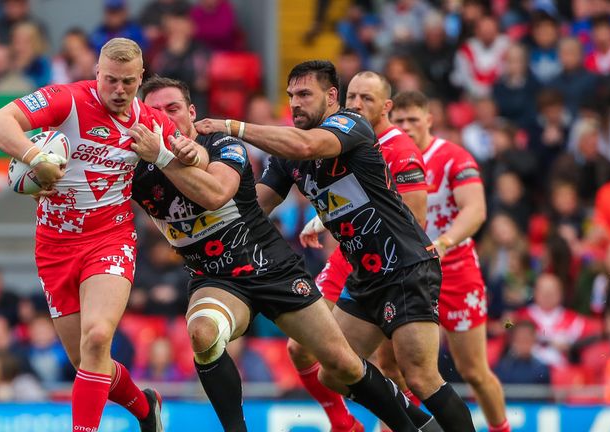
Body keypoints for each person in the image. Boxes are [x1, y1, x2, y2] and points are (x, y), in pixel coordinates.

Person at [130, 76, 433, 432]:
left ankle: (418, 426)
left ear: (191, 112)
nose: (165, 117)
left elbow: (215, 194)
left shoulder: (223, 144)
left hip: (272, 267)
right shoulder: (135, 166)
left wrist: (166, 157)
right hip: (216, 278)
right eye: (155, 110)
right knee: (202, 334)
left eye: (173, 108)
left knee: (344, 365)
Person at [195, 60, 475, 432]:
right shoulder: (285, 155)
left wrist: (233, 127)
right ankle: (425, 427)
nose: (295, 103)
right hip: (365, 274)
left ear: (331, 97)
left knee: (422, 377)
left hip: (406, 266)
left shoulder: (350, 125)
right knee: (336, 370)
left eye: (305, 94)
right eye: (291, 95)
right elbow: (256, 206)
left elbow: (309, 145)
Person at [0, 38, 174, 432]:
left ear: (141, 79)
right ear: (96, 74)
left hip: (110, 238)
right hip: (54, 245)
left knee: (98, 336)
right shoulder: (65, 99)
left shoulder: (150, 121)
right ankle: (145, 408)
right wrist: (34, 158)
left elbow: (198, 157)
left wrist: (179, 154)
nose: (118, 91)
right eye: (110, 81)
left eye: (127, 82)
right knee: (86, 360)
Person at [294, 70, 430, 430]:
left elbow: (412, 220)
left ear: (385, 107)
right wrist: (323, 219)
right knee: (301, 346)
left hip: (389, 260)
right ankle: (342, 422)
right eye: (351, 97)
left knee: (392, 366)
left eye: (365, 99)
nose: (355, 105)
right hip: (349, 255)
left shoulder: (399, 147)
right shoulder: (342, 136)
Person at [390, 90, 510, 432]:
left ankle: (501, 429)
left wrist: (444, 242)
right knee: (397, 368)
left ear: (430, 119)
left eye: (413, 119)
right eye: (399, 120)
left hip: (455, 270)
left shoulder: (454, 157)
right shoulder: (383, 155)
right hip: (405, 272)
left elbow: (476, 210)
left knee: (473, 370)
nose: (406, 126)